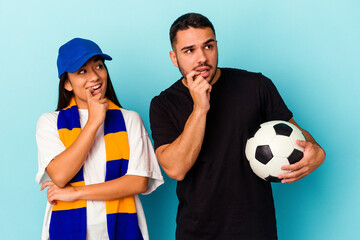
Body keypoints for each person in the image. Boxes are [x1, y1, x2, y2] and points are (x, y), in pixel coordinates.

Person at [149, 13, 325, 240]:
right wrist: (200, 108)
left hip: (255, 229)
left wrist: (317, 153)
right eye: (189, 50)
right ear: (174, 57)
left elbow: (296, 135)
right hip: (197, 232)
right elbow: (176, 169)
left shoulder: (256, 86)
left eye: (208, 46)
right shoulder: (163, 104)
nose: (202, 57)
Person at [36, 38, 164, 240]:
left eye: (99, 66)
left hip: (123, 230)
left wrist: (76, 193)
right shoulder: (49, 122)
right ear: (67, 83)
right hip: (65, 229)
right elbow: (60, 175)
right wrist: (94, 122)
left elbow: (138, 182)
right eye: (82, 71)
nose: (95, 76)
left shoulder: (130, 119)